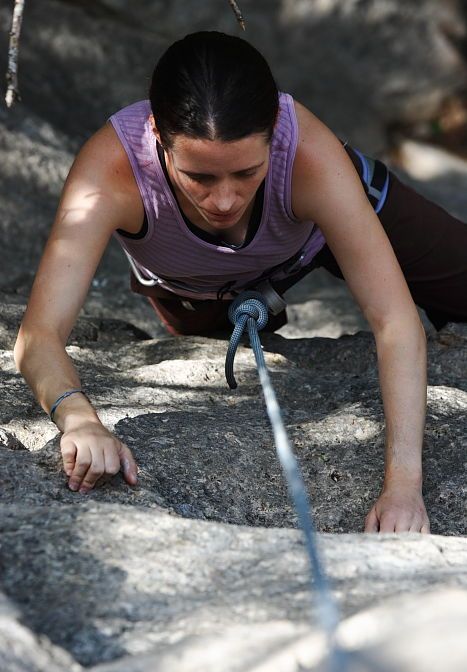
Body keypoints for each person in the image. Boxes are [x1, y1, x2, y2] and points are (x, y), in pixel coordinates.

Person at [14, 31, 467, 533]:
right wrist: (78, 418)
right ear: (157, 139)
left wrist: (402, 486)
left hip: (316, 232)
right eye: (200, 178)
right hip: (196, 284)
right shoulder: (111, 171)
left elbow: (393, 320)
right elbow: (39, 335)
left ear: (275, 133)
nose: (226, 200)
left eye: (247, 172)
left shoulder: (308, 154)